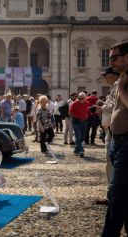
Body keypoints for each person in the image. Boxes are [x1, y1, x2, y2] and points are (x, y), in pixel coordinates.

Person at [102, 41, 128, 237]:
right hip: (118, 141)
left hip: (126, 143)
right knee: (121, 192)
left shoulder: (123, 83)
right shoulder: (122, 78)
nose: (110, 61)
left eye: (113, 57)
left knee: (117, 195)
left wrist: (121, 90)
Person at [94, 66, 120, 206]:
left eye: (106, 75)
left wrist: (101, 108)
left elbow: (112, 107)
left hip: (112, 130)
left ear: (111, 75)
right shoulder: (115, 86)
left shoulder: (117, 85)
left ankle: (112, 195)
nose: (104, 78)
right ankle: (112, 193)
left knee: (111, 163)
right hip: (111, 129)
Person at [69, 92, 90, 158]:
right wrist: (77, 116)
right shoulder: (74, 103)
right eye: (79, 98)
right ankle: (81, 151)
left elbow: (87, 111)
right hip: (76, 122)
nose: (80, 100)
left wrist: (87, 115)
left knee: (83, 137)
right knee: (78, 136)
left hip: (84, 122)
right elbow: (70, 112)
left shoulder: (87, 103)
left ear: (85, 98)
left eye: (82, 98)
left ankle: (76, 149)